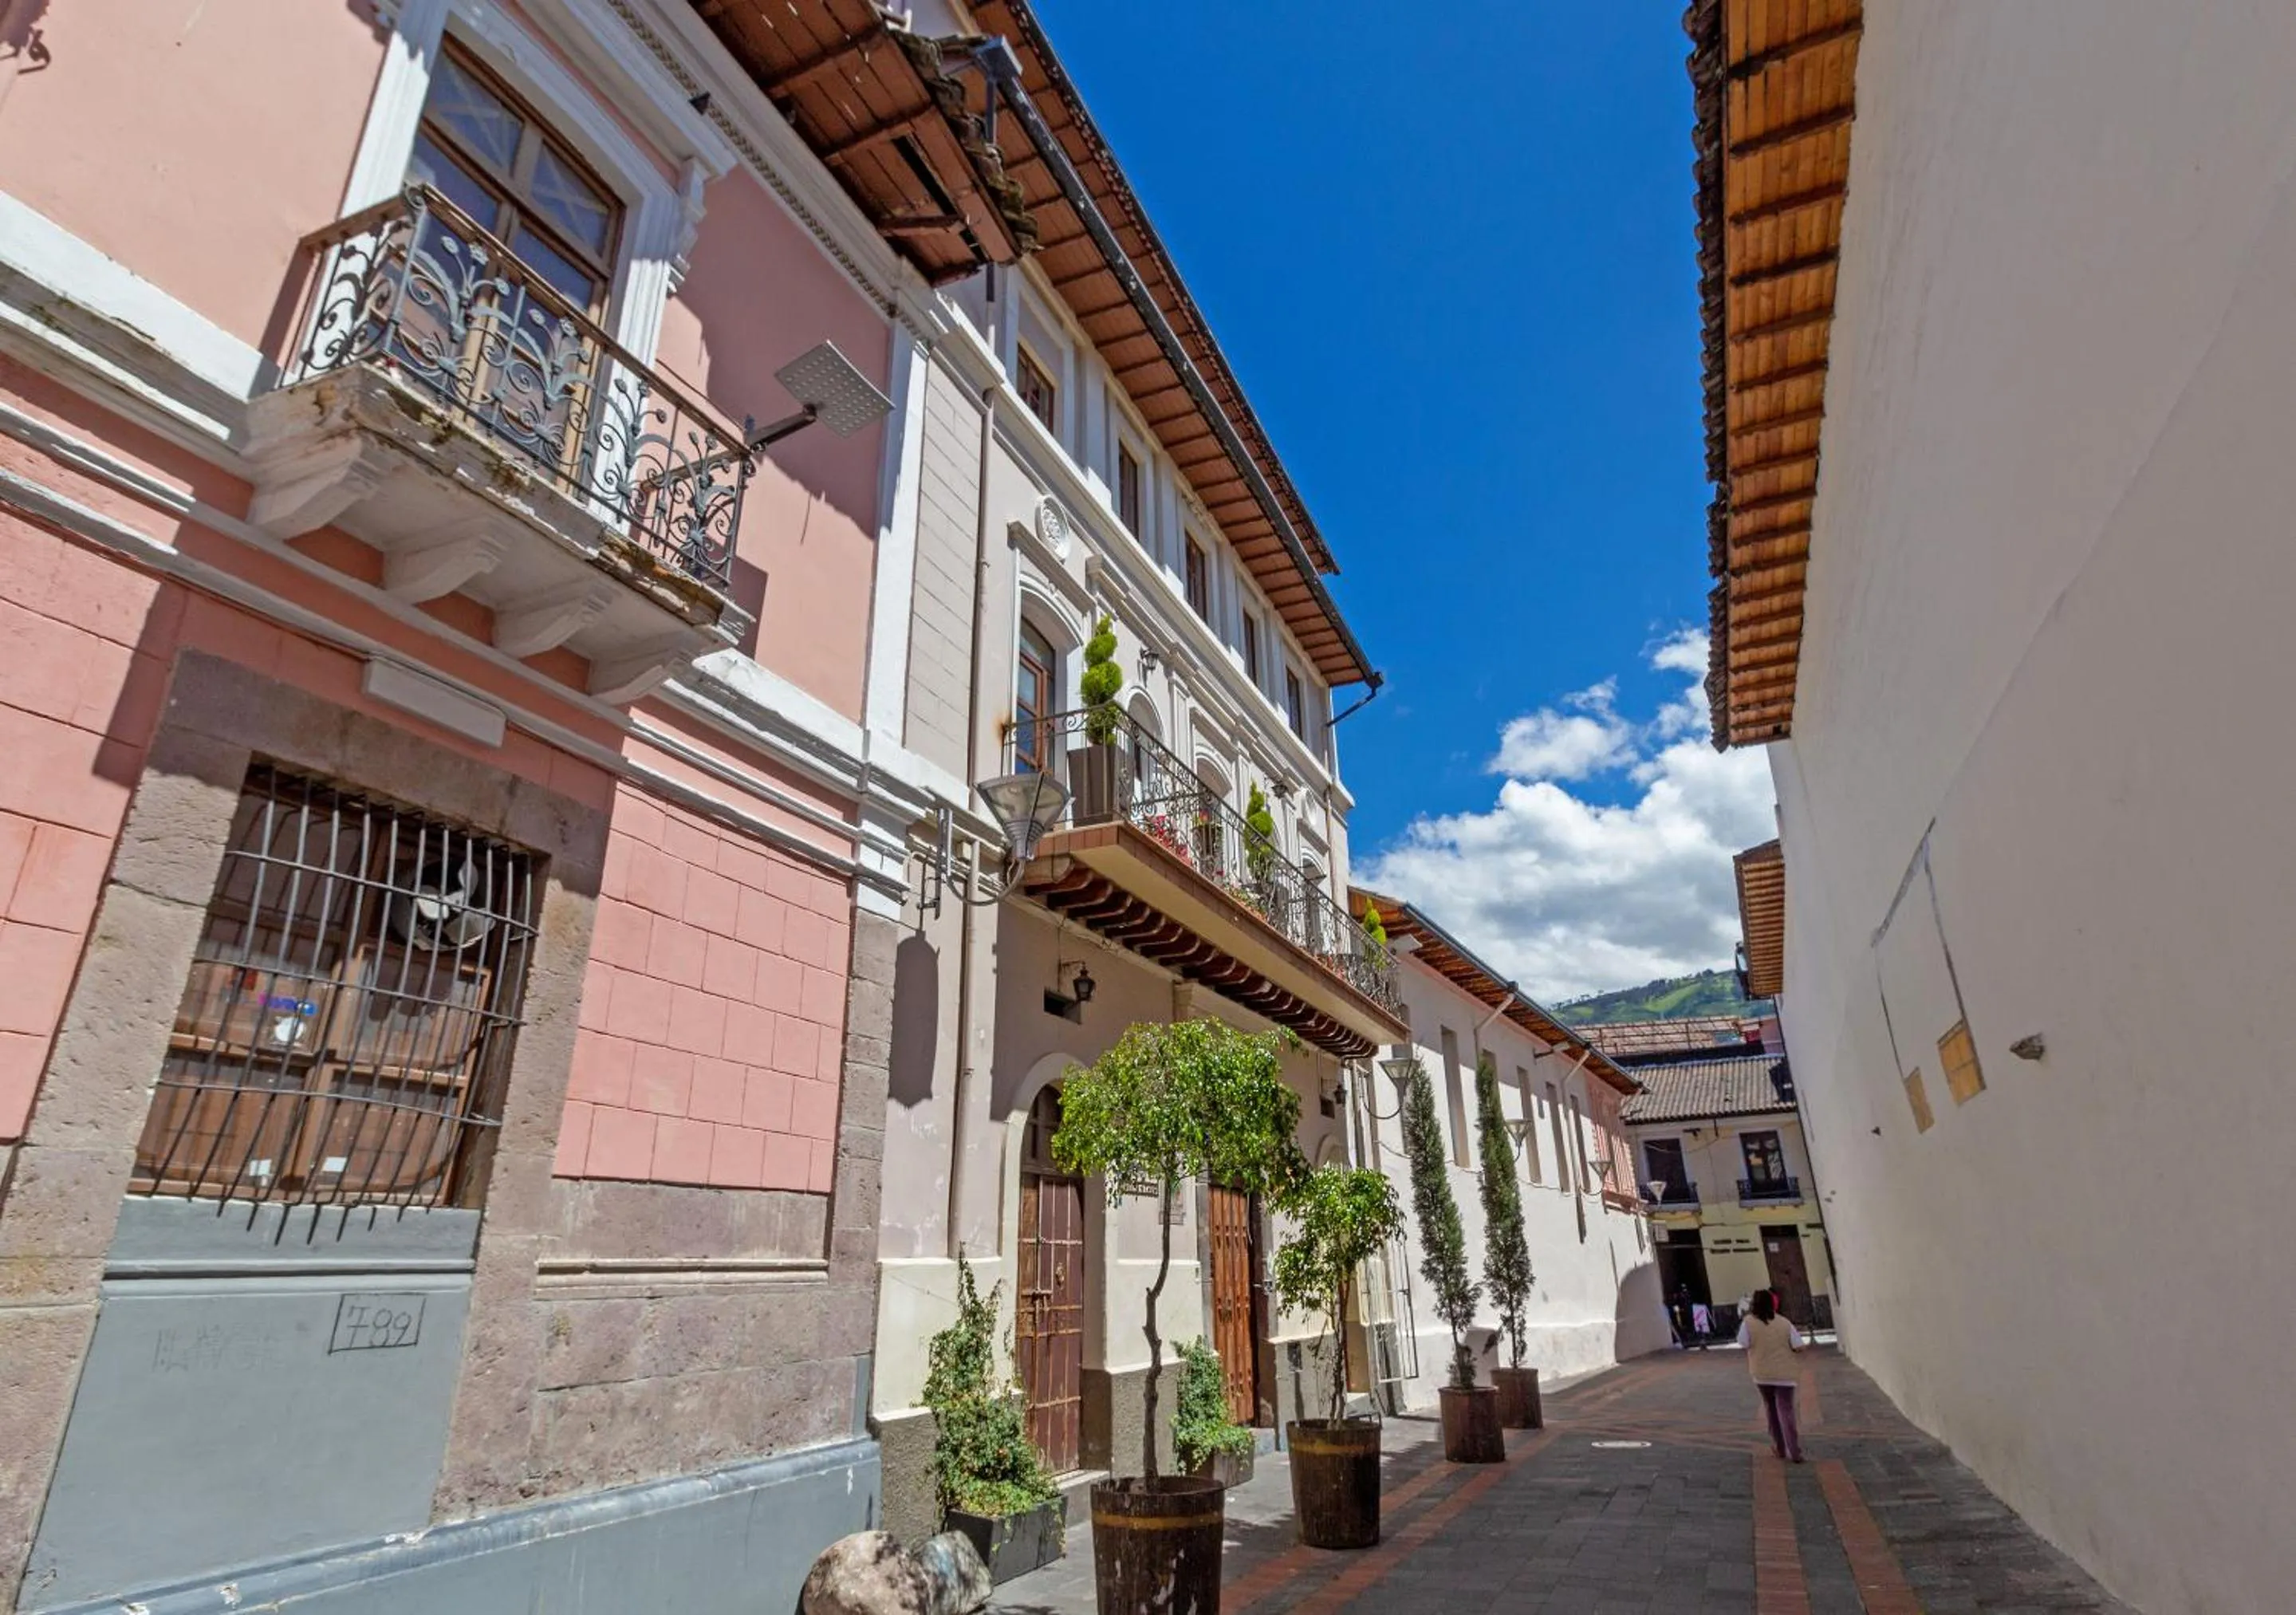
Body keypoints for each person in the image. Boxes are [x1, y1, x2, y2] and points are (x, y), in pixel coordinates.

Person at [1736, 1289, 1806, 1461]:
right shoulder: (1784, 1322)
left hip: (1762, 1373)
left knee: (1771, 1409)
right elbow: (1799, 1346)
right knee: (1786, 1410)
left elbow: (1743, 1342)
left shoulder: (1748, 1322)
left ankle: (1779, 1447)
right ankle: (1795, 1450)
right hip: (1785, 1374)